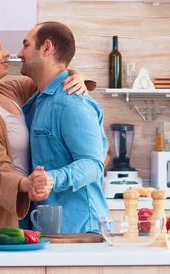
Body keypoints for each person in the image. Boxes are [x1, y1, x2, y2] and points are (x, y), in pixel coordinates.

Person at [0, 25, 95, 234]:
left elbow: (48, 77)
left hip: (29, 212)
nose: (8, 54)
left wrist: (76, 74)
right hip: (1, 217)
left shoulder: (10, 90)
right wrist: (26, 184)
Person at [17, 21, 109, 233]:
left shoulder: (72, 102)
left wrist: (52, 178)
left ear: (47, 48)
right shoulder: (38, 100)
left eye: (26, 45)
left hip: (80, 233)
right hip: (51, 231)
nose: (20, 53)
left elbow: (94, 164)